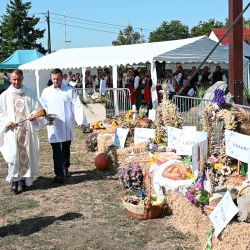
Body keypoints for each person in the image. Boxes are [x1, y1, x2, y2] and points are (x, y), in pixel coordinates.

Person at [40, 68, 89, 184]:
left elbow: (77, 106)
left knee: (66, 148)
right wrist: (46, 117)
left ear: (62, 77)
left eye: (58, 78)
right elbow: (42, 107)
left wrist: (80, 121)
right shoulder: (46, 91)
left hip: (66, 124)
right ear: (51, 78)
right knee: (56, 150)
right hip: (53, 124)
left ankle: (65, 167)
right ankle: (59, 174)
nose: (55, 81)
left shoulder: (70, 90)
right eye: (53, 79)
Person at [0, 69, 44, 194]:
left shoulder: (30, 93)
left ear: (22, 78)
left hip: (27, 130)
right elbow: (0, 112)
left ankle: (24, 180)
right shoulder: (4, 96)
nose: (16, 81)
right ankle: (14, 182)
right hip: (12, 131)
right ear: (10, 79)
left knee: (27, 155)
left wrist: (33, 115)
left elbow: (38, 108)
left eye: (19, 79)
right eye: (14, 79)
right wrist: (7, 121)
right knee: (14, 156)